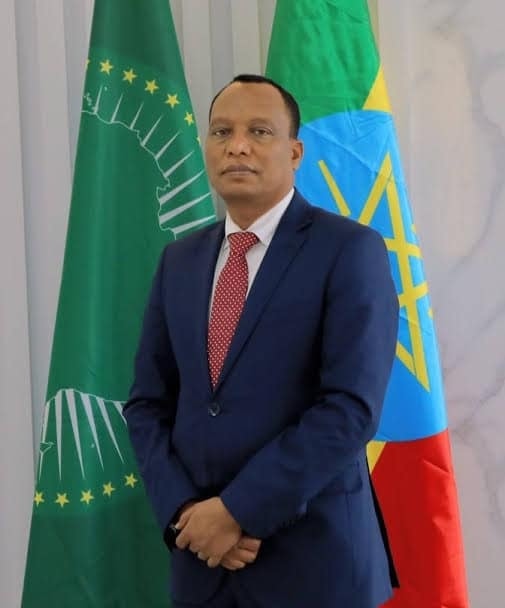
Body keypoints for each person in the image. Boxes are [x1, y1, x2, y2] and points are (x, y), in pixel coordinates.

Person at [124, 74, 399, 608]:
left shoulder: (349, 250)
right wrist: (186, 514)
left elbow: (351, 407)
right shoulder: (179, 261)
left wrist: (237, 511)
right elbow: (147, 405)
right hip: (203, 565)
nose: (238, 146)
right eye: (221, 132)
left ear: (295, 152)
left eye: (259, 131)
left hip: (316, 566)